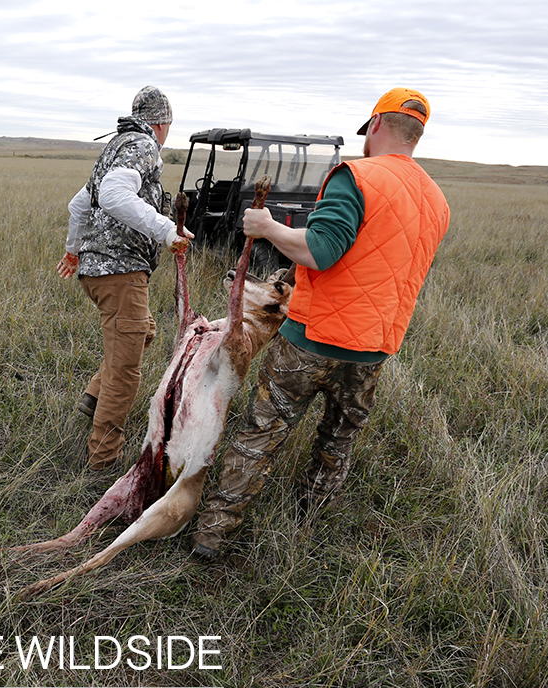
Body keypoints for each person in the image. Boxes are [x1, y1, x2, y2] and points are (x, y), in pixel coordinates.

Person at [191, 87, 451, 559]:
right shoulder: (436, 199)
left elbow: (321, 250)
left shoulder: (357, 175)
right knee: (339, 439)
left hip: (312, 339)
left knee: (259, 436)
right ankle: (309, 520)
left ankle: (212, 535)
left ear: (375, 126)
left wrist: (267, 228)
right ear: (417, 134)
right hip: (374, 348)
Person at [57, 86, 192, 470]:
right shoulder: (142, 145)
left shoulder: (115, 147)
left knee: (143, 332)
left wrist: (73, 250)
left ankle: (93, 396)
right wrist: (168, 230)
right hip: (121, 272)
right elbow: (114, 196)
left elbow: (80, 204)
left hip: (96, 272)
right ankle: (102, 461)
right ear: (162, 123)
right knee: (125, 370)